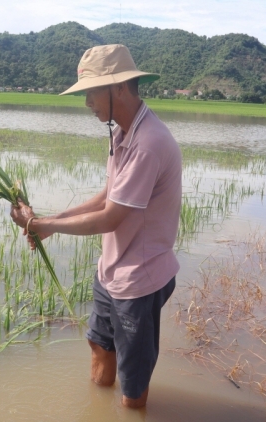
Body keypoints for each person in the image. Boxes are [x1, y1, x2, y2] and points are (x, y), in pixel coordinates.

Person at [10, 44, 181, 409]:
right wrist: (47, 221)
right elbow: (107, 197)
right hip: (111, 271)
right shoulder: (122, 133)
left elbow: (110, 217)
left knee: (133, 382)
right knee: (99, 344)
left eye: (91, 91)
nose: (87, 101)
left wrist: (46, 226)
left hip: (139, 280)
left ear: (118, 87)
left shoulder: (149, 143)